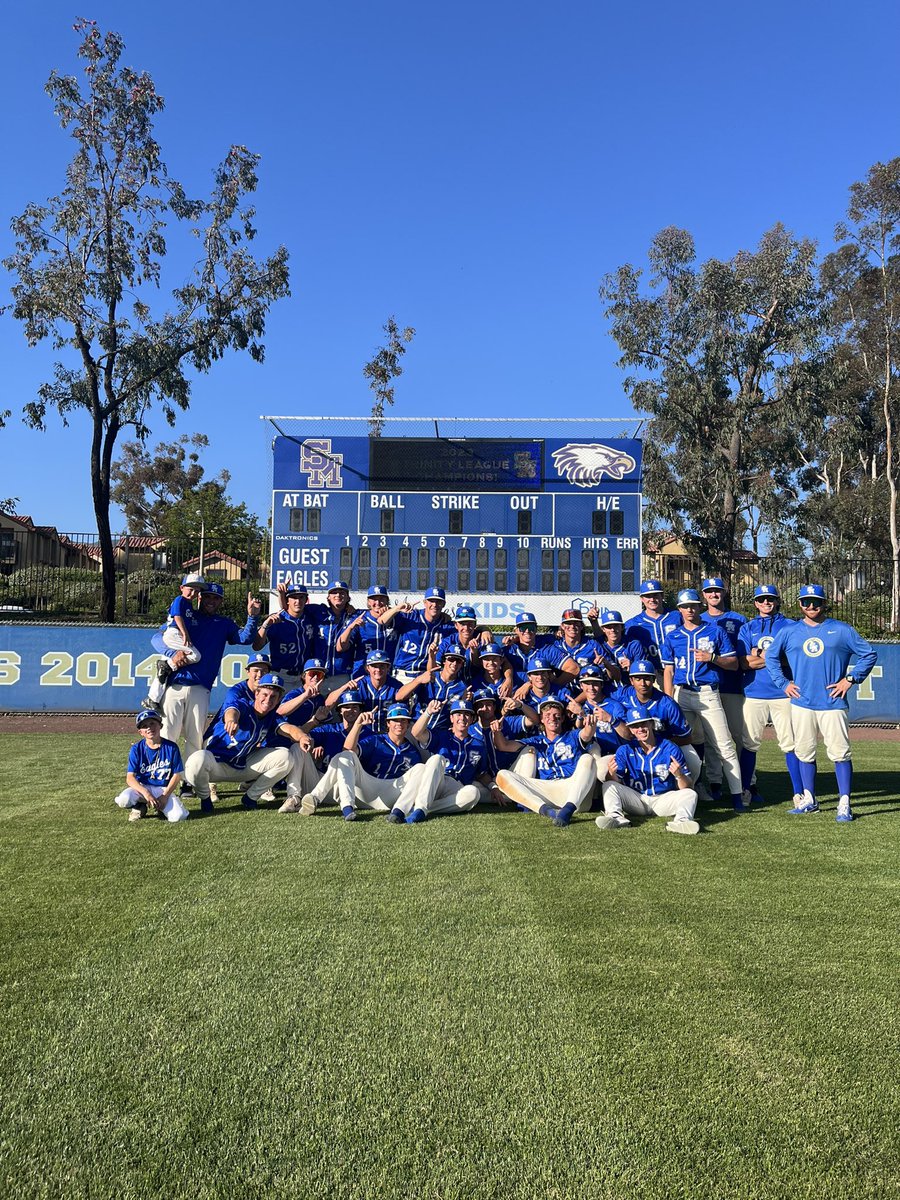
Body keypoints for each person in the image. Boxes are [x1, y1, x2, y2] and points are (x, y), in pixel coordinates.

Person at [765, 584, 878, 821]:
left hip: (832, 703)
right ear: (799, 604)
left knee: (840, 753)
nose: (811, 606)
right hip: (801, 703)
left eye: (816, 601)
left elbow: (868, 654)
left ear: (824, 603)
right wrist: (783, 684)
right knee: (804, 752)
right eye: (806, 602)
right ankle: (809, 799)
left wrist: (850, 679)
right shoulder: (789, 631)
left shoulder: (842, 630)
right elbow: (771, 657)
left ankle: (844, 803)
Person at [152, 582, 262, 771]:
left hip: (201, 687)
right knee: (168, 733)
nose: (212, 601)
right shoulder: (187, 615)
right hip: (175, 684)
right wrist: (172, 653)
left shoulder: (223, 623)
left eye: (216, 598)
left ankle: (189, 779)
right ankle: (164, 776)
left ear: (221, 601)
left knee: (195, 737)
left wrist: (252, 617)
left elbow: (245, 638)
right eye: (208, 596)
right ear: (200, 597)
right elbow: (156, 637)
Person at [660, 589, 746, 812]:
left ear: (700, 606)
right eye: (685, 606)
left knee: (724, 745)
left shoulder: (715, 631)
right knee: (684, 742)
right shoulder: (674, 636)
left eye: (693, 605)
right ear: (679, 610)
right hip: (682, 694)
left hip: (708, 693)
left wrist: (712, 658)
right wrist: (669, 699)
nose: (689, 609)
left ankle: (737, 795)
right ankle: (690, 787)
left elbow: (733, 664)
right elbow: (668, 670)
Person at [184, 673, 317, 813]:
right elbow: (232, 711)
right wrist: (231, 720)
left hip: (242, 765)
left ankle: (250, 798)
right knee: (195, 761)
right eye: (265, 694)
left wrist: (302, 736)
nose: (268, 700)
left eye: (273, 697)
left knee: (285, 757)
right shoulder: (244, 705)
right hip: (216, 764)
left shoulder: (272, 717)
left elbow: (288, 729)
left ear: (279, 699)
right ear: (256, 693)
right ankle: (205, 798)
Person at [298, 704, 429, 822]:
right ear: (388, 723)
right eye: (395, 720)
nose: (399, 724)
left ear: (408, 724)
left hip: (392, 795)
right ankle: (347, 807)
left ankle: (399, 812)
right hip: (366, 789)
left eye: (403, 720)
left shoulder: (412, 752)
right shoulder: (376, 740)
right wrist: (358, 724)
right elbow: (347, 750)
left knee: (421, 768)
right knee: (345, 756)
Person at [736, 585, 804, 805]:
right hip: (754, 692)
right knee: (749, 743)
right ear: (756, 603)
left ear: (777, 601)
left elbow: (793, 658)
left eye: (770, 599)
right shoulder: (748, 627)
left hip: (784, 692)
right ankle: (746, 789)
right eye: (762, 599)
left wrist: (760, 654)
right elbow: (743, 663)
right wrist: (775, 656)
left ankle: (799, 793)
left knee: (790, 743)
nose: (766, 602)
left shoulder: (791, 626)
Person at [492, 697, 600, 827]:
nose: (552, 718)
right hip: (547, 790)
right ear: (541, 719)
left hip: (573, 790)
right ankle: (548, 811)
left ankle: (568, 810)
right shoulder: (536, 741)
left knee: (588, 758)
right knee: (502, 775)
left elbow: (587, 734)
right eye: (547, 715)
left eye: (556, 715)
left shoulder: (572, 736)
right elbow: (503, 746)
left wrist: (585, 717)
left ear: (563, 718)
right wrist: (497, 731)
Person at [595, 705, 699, 835]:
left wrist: (679, 775)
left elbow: (687, 786)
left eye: (643, 724)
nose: (640, 729)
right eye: (635, 726)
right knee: (609, 785)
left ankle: (681, 821)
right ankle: (615, 817)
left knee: (690, 794)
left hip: (662, 799)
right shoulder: (625, 750)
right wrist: (612, 773)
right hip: (637, 799)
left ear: (651, 724)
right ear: (630, 730)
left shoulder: (670, 748)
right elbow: (615, 781)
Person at [606, 659, 701, 781]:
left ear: (653, 679)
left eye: (647, 678)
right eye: (638, 679)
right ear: (631, 680)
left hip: (663, 745)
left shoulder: (667, 704)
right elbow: (596, 693)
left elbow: (686, 737)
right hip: (631, 748)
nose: (643, 683)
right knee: (605, 769)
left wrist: (660, 746)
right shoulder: (622, 695)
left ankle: (690, 785)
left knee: (693, 760)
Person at [699, 576, 747, 800]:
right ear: (704, 595)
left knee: (739, 735)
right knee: (711, 739)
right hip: (707, 685)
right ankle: (715, 781)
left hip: (732, 684)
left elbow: (743, 652)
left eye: (717, 590)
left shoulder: (738, 619)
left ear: (724, 593)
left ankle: (747, 782)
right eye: (709, 591)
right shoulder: (698, 619)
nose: (713, 594)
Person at [409, 698, 492, 817]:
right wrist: (428, 712)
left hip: (457, 788)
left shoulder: (479, 745)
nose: (462, 718)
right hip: (437, 782)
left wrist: (493, 787)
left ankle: (422, 810)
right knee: (437, 759)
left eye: (467, 714)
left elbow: (482, 774)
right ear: (451, 718)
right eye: (458, 714)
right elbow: (416, 733)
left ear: (472, 719)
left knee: (473, 793)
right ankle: (421, 807)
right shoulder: (441, 736)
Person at [113, 708, 189, 823]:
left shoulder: (171, 747)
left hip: (162, 789)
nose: (149, 728)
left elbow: (177, 775)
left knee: (179, 817)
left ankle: (161, 807)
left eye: (152, 723)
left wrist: (165, 796)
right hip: (142, 788)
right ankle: (139, 806)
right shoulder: (136, 749)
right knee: (124, 800)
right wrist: (146, 793)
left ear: (160, 726)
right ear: (141, 732)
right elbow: (130, 778)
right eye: (144, 726)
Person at [148, 573, 205, 704]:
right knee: (196, 656)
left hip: (175, 634)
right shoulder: (180, 600)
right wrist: (185, 634)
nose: (193, 593)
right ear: (181, 588)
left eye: (197, 591)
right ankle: (168, 665)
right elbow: (177, 616)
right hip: (173, 633)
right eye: (190, 589)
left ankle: (153, 699)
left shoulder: (188, 604)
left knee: (164, 672)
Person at [378, 587, 455, 684]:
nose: (434, 604)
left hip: (428, 676)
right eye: (431, 601)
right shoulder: (411, 616)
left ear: (444, 604)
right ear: (425, 602)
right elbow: (381, 621)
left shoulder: (446, 625)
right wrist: (397, 608)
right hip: (404, 674)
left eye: (438, 601)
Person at [254, 583, 320, 688]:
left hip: (304, 677)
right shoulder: (277, 620)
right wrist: (265, 626)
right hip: (281, 675)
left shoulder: (310, 616)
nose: (297, 601)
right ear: (287, 600)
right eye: (293, 598)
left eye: (301, 597)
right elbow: (257, 646)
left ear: (306, 600)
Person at [322, 649, 402, 733]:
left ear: (388, 667)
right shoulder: (359, 684)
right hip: (361, 734)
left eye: (382, 666)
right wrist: (345, 687)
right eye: (374, 666)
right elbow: (328, 703)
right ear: (367, 668)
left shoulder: (397, 686)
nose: (378, 669)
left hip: (387, 734)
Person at [396, 642, 469, 730]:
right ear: (444, 661)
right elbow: (399, 696)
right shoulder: (428, 677)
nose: (454, 663)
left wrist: (466, 701)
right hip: (415, 725)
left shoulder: (462, 688)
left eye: (459, 661)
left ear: (462, 664)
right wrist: (418, 680)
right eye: (451, 659)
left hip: (440, 732)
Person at [335, 585, 399, 676]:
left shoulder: (397, 619)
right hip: (362, 673)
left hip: (388, 672)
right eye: (374, 599)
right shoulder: (359, 618)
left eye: (381, 599)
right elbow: (340, 647)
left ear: (387, 601)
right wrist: (350, 628)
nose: (377, 603)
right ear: (368, 601)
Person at [624, 580, 682, 675]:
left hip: (679, 670)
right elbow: (617, 642)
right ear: (642, 599)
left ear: (662, 596)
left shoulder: (676, 617)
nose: (652, 599)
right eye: (648, 596)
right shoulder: (633, 624)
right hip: (651, 673)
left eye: (655, 595)